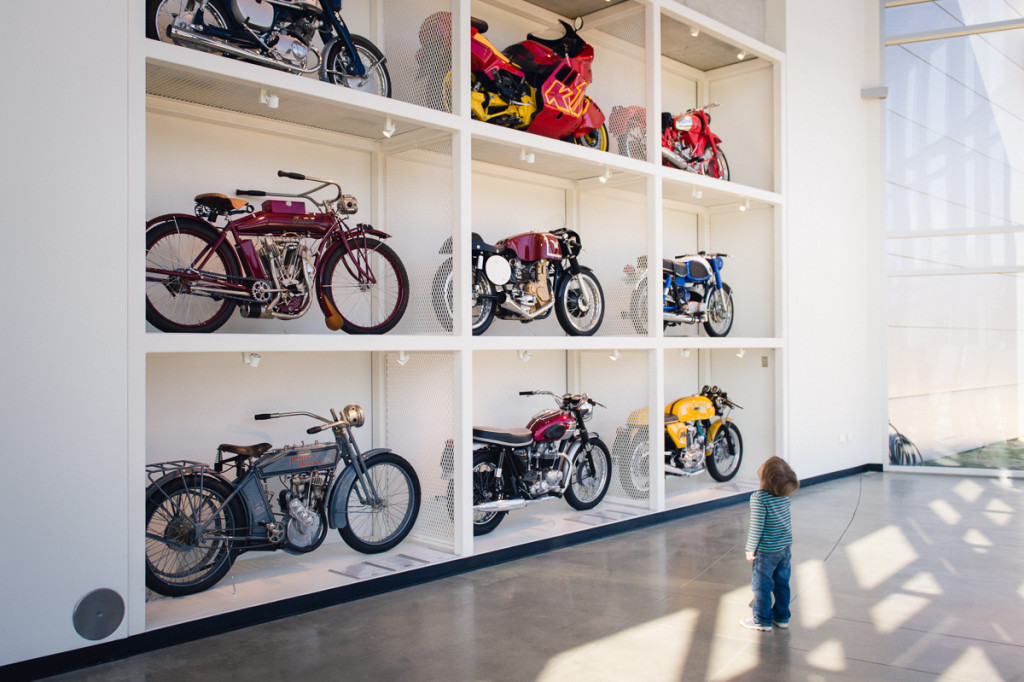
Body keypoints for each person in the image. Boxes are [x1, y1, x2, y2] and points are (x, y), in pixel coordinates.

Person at [741, 456, 800, 632]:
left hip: (766, 552)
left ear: (765, 477)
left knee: (762, 586)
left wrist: (750, 548)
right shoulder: (783, 496)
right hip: (784, 549)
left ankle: (762, 620)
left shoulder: (759, 498)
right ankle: (782, 617)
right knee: (782, 583)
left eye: (763, 464)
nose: (761, 464)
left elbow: (756, 527)